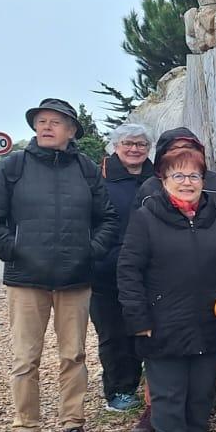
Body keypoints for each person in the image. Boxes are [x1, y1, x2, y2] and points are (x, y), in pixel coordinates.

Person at [0, 98, 118, 432]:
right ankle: (25, 430)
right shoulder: (13, 167)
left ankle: (73, 424)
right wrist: (17, 251)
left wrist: (90, 251)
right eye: (41, 121)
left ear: (71, 130)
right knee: (25, 359)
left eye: (56, 122)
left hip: (75, 279)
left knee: (73, 355)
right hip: (27, 280)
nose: (46, 126)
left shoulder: (87, 169)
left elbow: (108, 220)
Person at [118, 144, 216, 432]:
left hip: (209, 318)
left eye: (194, 175)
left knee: (201, 389)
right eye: (178, 175)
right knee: (169, 391)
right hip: (162, 321)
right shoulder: (147, 217)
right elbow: (129, 271)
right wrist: (139, 320)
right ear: (163, 179)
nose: (187, 182)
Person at [88, 122, 153, 413]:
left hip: (150, 271)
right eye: (128, 143)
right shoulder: (98, 179)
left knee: (147, 329)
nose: (134, 149)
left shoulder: (158, 178)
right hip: (107, 271)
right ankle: (120, 390)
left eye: (140, 144)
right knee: (114, 334)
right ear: (115, 146)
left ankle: (152, 388)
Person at [136, 127, 216, 221]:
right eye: (174, 149)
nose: (182, 153)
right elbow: (137, 233)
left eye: (188, 147)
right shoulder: (149, 188)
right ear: (162, 155)